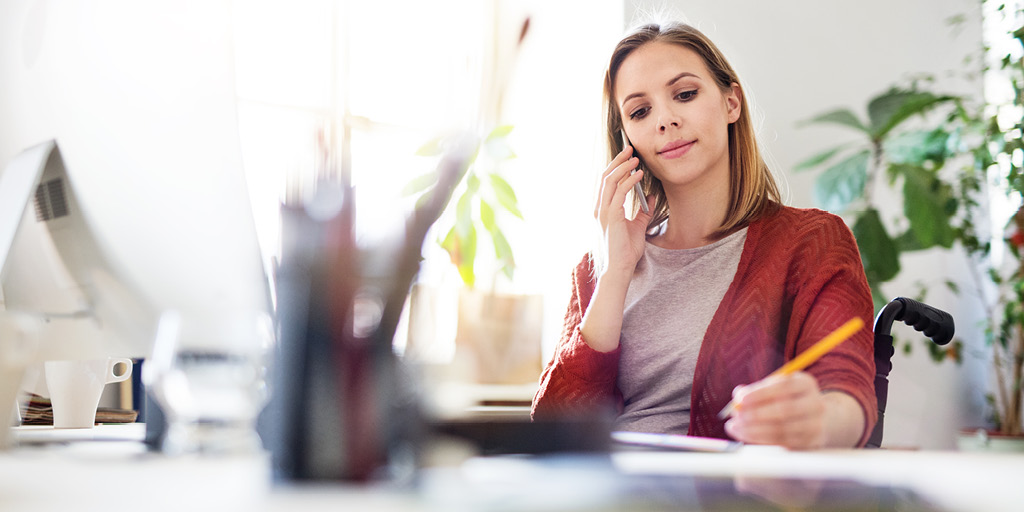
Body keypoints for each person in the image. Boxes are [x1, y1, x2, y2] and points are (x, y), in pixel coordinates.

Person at [530, 21, 877, 449]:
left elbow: (848, 396)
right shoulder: (596, 268)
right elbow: (552, 435)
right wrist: (616, 272)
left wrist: (817, 421)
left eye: (685, 94)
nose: (666, 120)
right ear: (627, 142)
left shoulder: (811, 242)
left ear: (731, 102)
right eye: (640, 111)